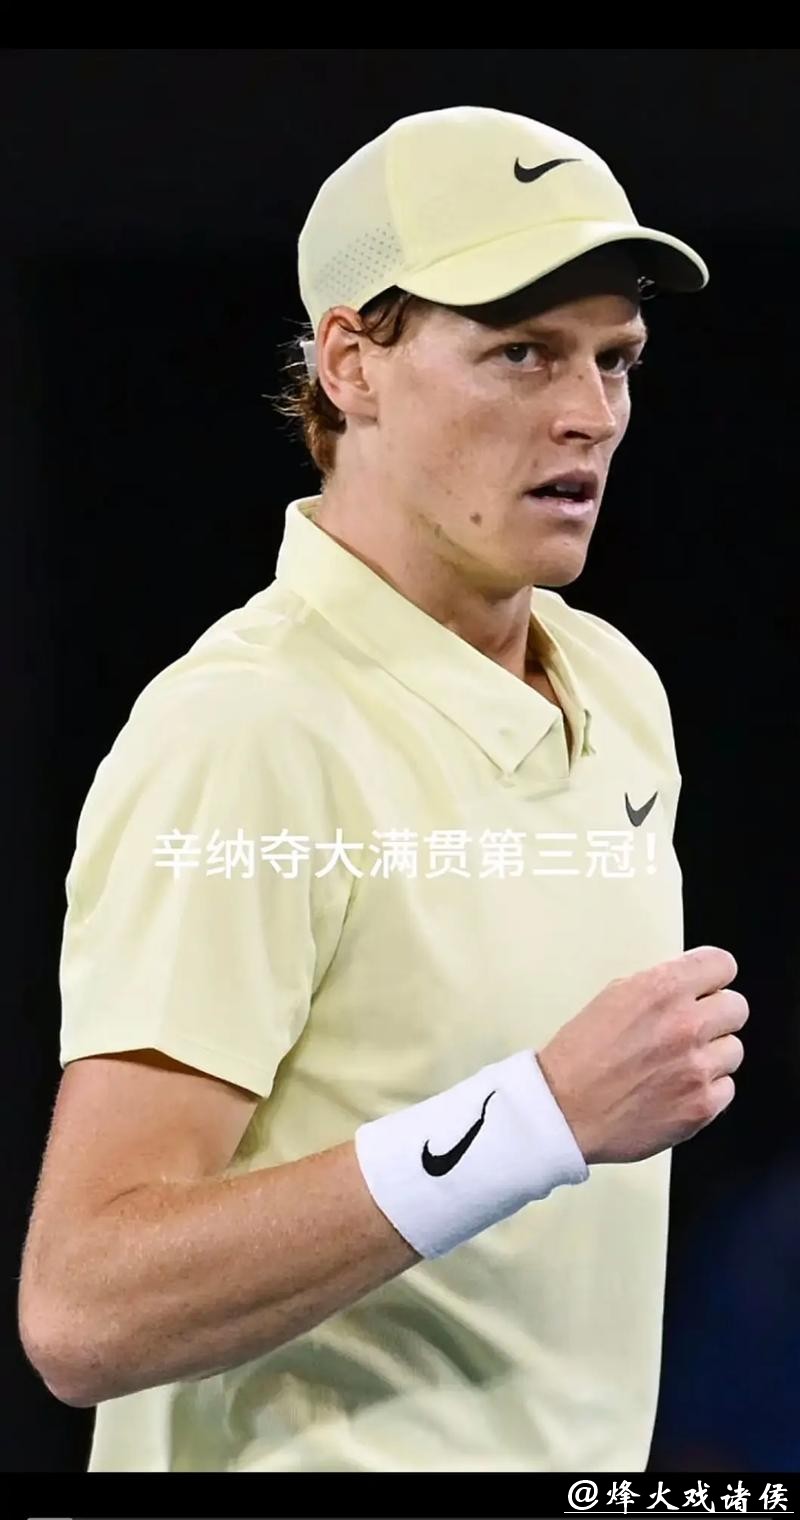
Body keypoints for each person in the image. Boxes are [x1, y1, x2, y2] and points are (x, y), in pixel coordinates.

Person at [18, 104, 749, 1473]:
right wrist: (535, 1120)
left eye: (615, 359)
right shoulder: (249, 732)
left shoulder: (616, 689)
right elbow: (84, 1308)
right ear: (351, 362)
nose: (590, 415)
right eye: (521, 352)